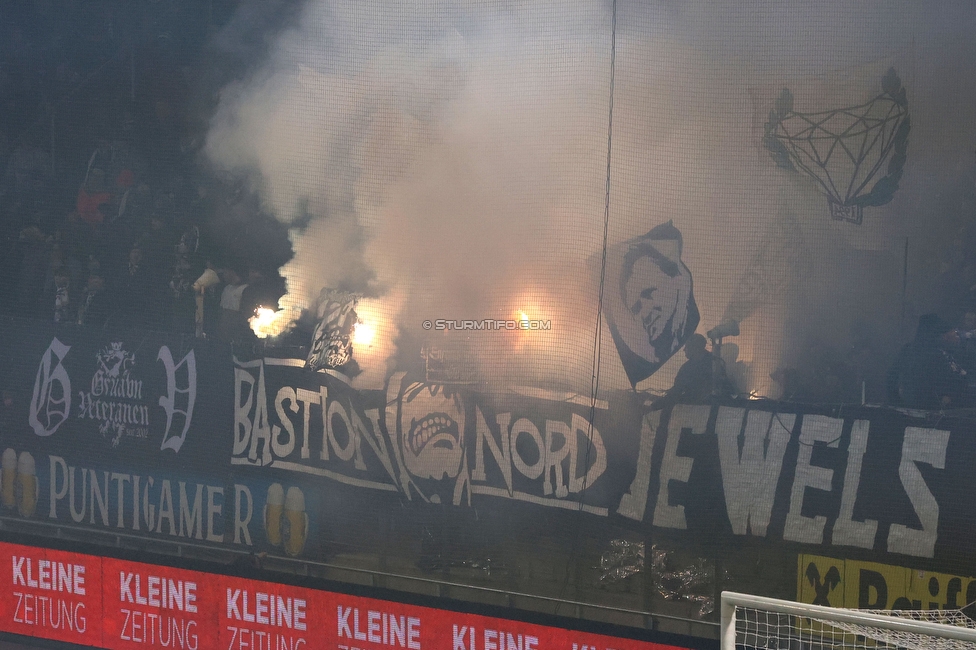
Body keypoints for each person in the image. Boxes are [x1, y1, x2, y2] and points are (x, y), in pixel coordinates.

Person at [888, 314, 970, 410]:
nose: (957, 335)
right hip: (929, 413)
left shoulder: (910, 350)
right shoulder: (935, 356)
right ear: (943, 335)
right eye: (955, 332)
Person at [652, 333, 731, 409]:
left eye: (687, 347)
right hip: (711, 406)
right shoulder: (715, 362)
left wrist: (652, 407)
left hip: (699, 409)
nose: (684, 350)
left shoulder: (690, 368)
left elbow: (676, 391)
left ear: (695, 348)